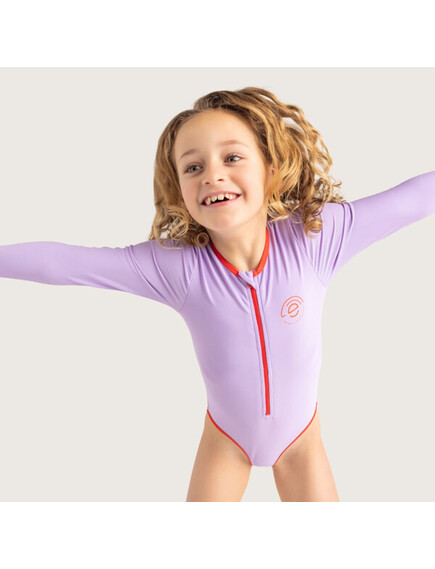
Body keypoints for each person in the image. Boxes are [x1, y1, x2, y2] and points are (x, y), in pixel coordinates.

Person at [1, 87, 434, 502]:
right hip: (226, 442)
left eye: (232, 157)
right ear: (180, 190)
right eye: (193, 167)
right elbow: (64, 264)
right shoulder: (176, 267)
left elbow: (413, 199)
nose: (212, 175)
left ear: (271, 167)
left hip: (301, 440)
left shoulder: (315, 237)